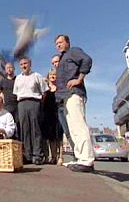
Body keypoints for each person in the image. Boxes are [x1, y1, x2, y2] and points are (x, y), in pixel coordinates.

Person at [55, 34, 95, 172]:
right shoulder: (62, 58)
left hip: (74, 93)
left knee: (79, 126)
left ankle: (87, 160)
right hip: (65, 96)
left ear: (67, 42)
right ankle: (80, 158)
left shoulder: (73, 51)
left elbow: (87, 60)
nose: (58, 45)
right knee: (72, 129)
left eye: (60, 42)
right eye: (56, 43)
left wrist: (79, 79)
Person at [13, 56, 49, 165]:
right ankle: (27, 155)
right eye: (22, 64)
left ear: (30, 64)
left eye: (26, 63)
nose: (24, 66)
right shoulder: (18, 78)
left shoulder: (37, 76)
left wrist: (39, 103)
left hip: (34, 102)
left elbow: (45, 92)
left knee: (35, 128)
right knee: (24, 129)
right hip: (22, 104)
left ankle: (37, 155)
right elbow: (16, 93)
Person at [51, 55, 75, 159]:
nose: (55, 64)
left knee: (73, 130)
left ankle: (79, 154)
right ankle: (76, 154)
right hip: (58, 107)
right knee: (67, 132)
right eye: (53, 63)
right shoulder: (56, 78)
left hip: (67, 105)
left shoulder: (67, 73)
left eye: (56, 61)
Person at [41, 69, 64, 165]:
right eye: (51, 74)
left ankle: (61, 157)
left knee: (59, 136)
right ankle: (53, 157)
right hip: (48, 114)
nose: (53, 76)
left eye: (54, 74)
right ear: (48, 76)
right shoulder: (45, 89)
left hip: (58, 113)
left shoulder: (60, 88)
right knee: (51, 137)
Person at [0, 62, 19, 140]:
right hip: (7, 106)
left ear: (14, 68)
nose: (9, 69)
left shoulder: (18, 79)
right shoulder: (2, 81)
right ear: (5, 70)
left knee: (19, 126)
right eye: (7, 68)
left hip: (18, 105)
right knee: (8, 126)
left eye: (10, 67)